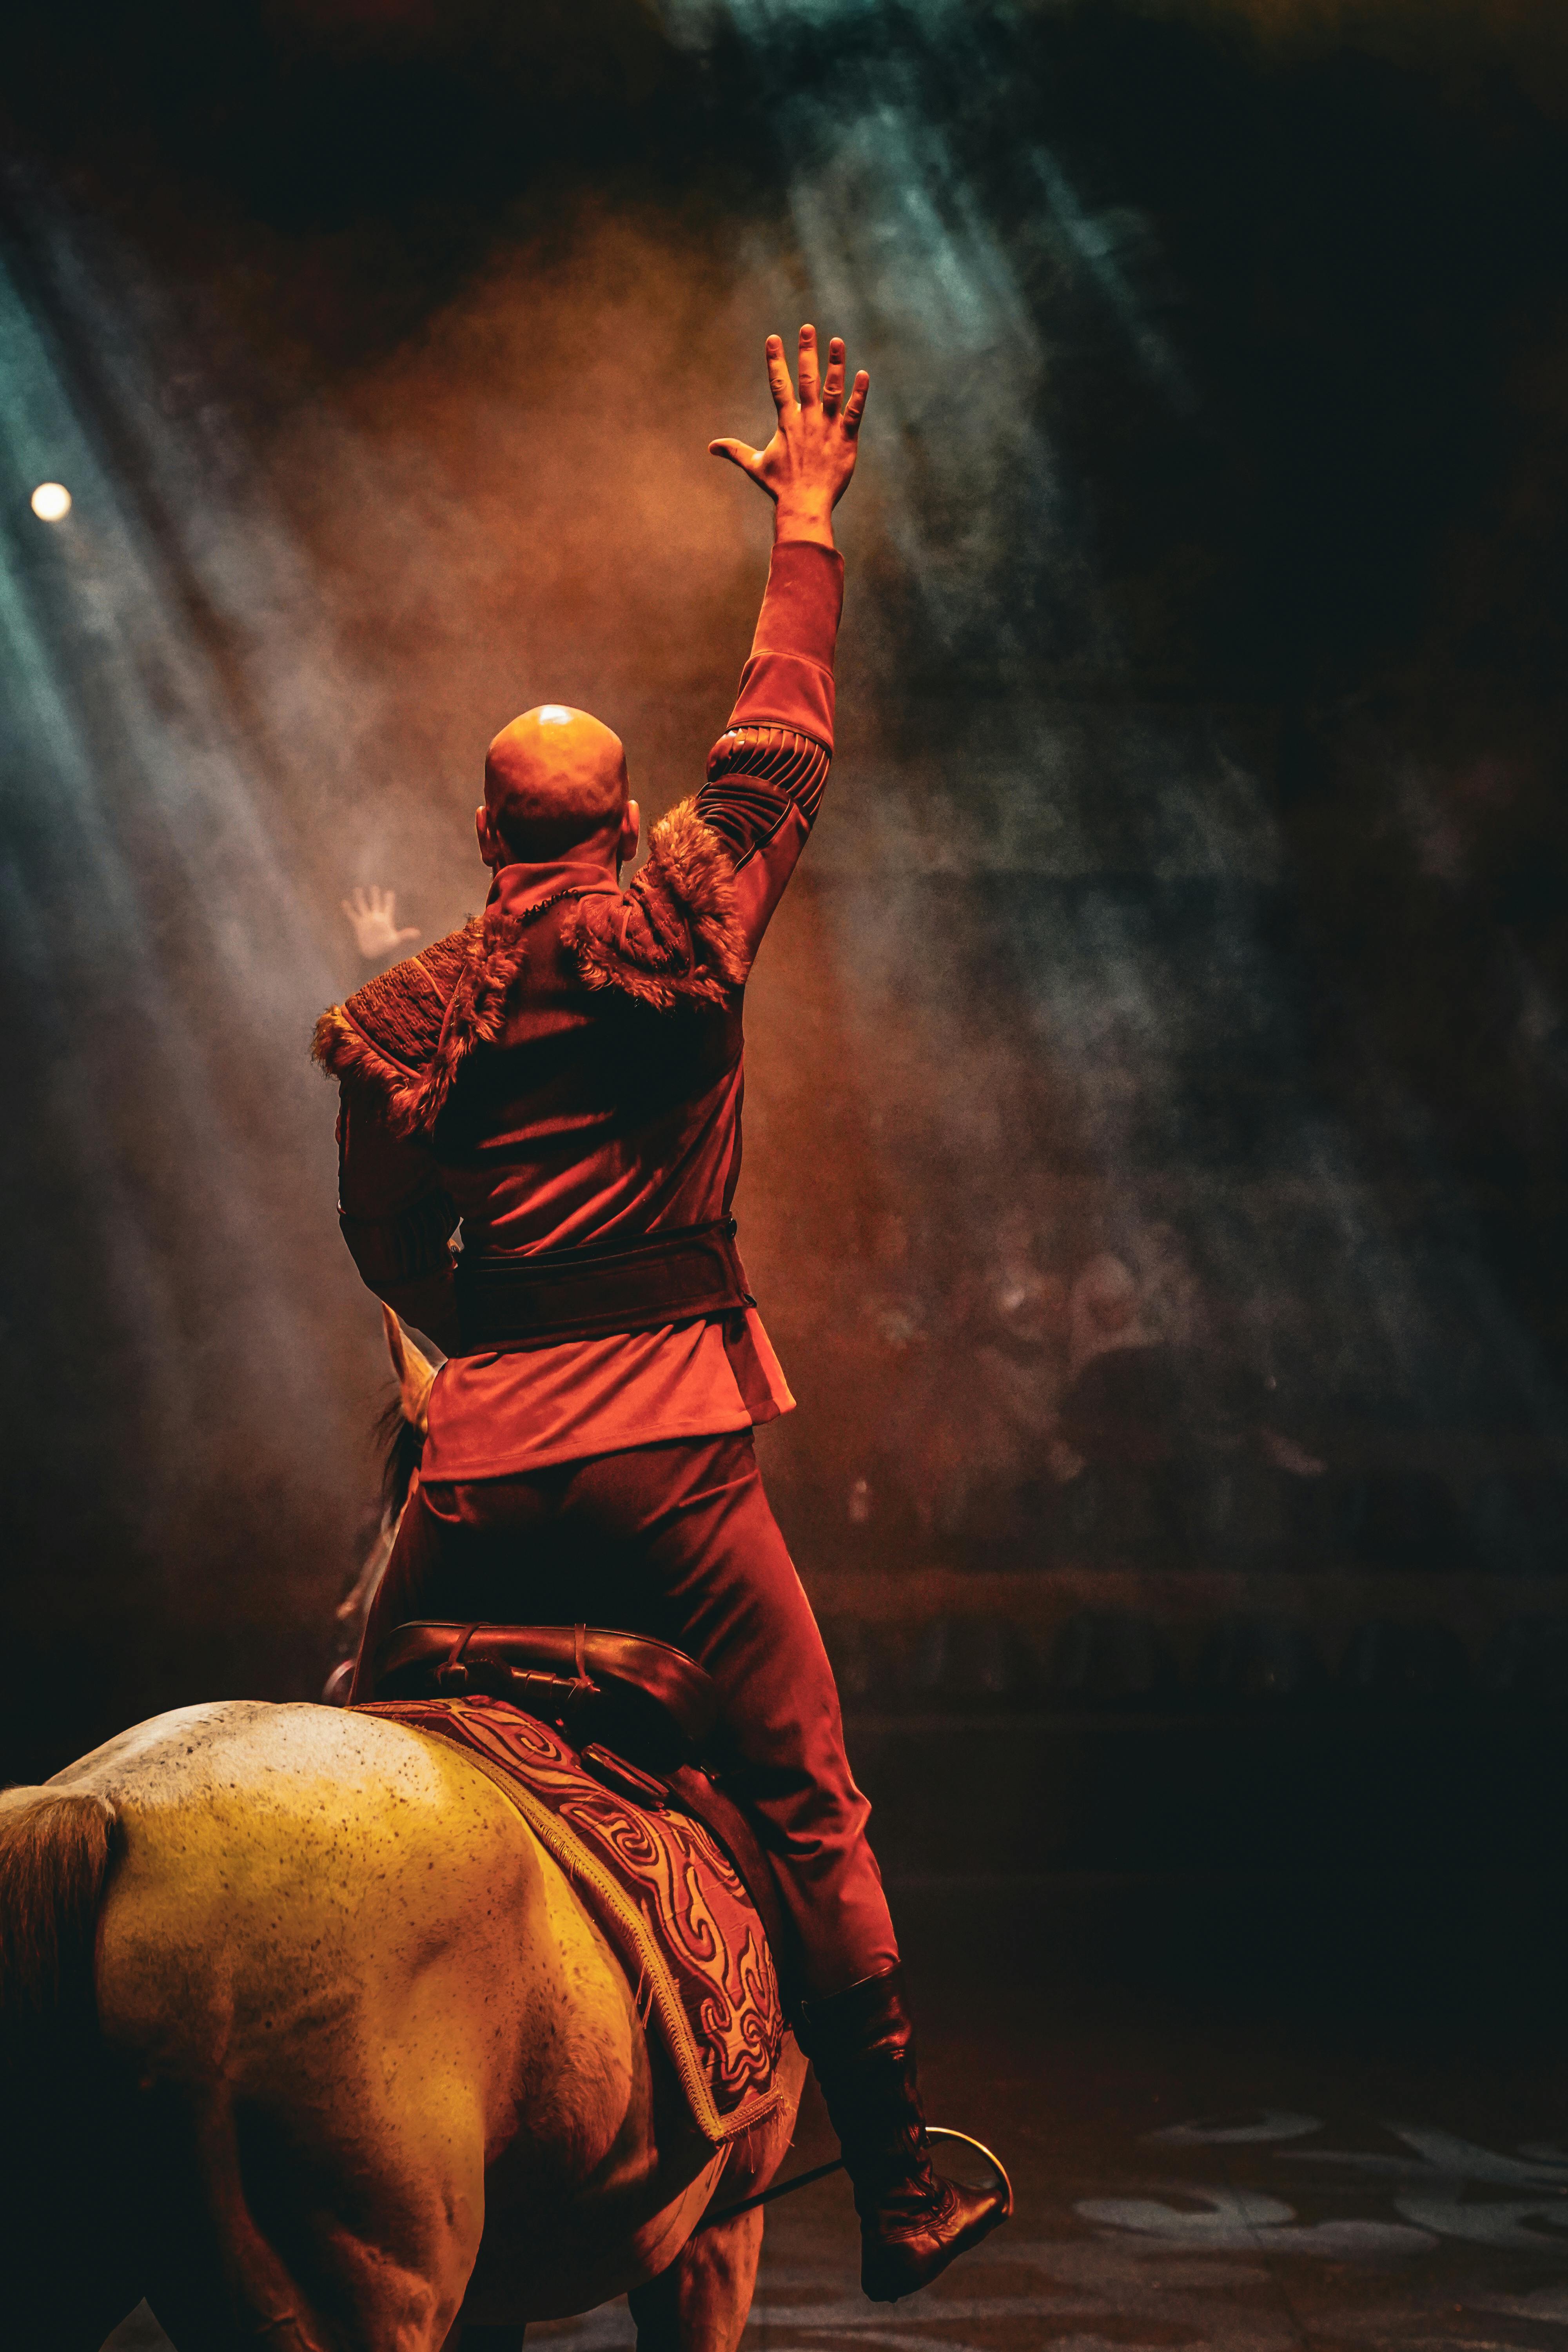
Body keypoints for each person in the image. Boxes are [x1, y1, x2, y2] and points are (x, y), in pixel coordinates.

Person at [313, 325, 1006, 2302]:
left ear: (478, 833)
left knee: (358, 1730)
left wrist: (493, 1316)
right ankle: (894, 2176)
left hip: (472, 1474)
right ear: (613, 824)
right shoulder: (684, 924)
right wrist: (800, 522)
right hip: (670, 1472)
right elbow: (781, 737)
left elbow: (382, 1255)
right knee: (805, 1790)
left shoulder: (400, 1023)